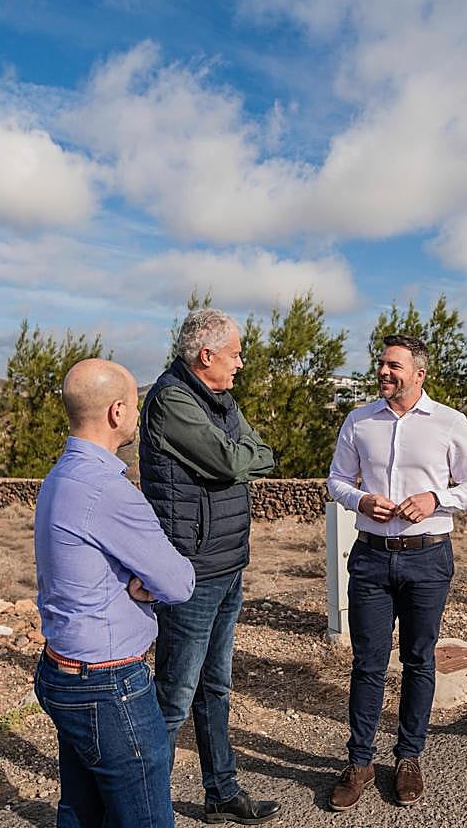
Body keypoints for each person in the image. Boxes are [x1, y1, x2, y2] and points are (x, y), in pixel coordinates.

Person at [326, 334, 467, 810]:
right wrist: (361, 499)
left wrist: (437, 498)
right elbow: (336, 480)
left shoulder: (450, 423)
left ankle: (409, 757)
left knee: (419, 660)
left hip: (428, 557)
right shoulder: (358, 421)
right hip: (372, 557)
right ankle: (359, 762)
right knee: (368, 663)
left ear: (419, 374)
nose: (384, 372)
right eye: (380, 364)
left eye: (394, 366)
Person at [33, 358, 196, 828]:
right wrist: (148, 585)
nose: (138, 417)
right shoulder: (107, 489)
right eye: (136, 408)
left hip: (63, 671)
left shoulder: (60, 476)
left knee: (82, 813)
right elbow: (179, 581)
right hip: (109, 687)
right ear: (117, 411)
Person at [139, 308, 280, 825]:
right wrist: (239, 455)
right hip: (191, 571)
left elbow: (260, 453)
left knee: (214, 687)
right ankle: (144, 809)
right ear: (207, 356)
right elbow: (231, 463)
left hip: (226, 565)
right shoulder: (173, 399)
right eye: (235, 353)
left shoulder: (220, 399)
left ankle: (222, 793)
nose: (241, 363)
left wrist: (241, 453)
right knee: (173, 697)